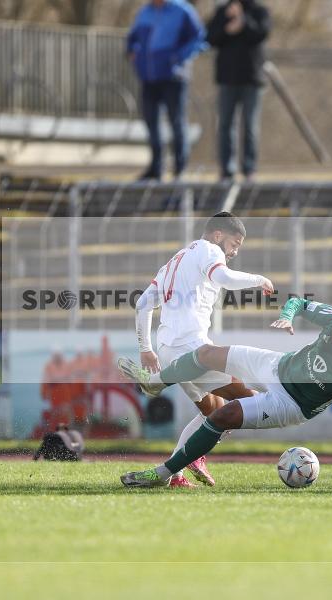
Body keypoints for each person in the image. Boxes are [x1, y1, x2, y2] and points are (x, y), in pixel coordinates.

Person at [119, 298, 332, 487]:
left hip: (290, 404)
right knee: (206, 353)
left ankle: (163, 474)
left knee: (221, 416)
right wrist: (287, 316)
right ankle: (155, 383)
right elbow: (298, 302)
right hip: (276, 365)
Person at [134, 212, 273, 486]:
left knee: (212, 411)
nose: (234, 252)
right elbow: (225, 278)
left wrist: (146, 349)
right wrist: (260, 279)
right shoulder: (210, 250)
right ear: (218, 235)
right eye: (235, 244)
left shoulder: (174, 261)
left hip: (167, 351)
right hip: (193, 349)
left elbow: (142, 305)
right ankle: (188, 457)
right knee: (250, 400)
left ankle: (176, 473)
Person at [127, 0, 205, 181]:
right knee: (151, 122)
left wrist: (177, 58)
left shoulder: (182, 11)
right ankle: (156, 167)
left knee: (176, 122)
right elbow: (133, 38)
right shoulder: (144, 12)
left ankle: (180, 168)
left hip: (174, 77)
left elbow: (198, 38)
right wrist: (132, 52)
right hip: (148, 77)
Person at [206, 0, 271, 182]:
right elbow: (209, 38)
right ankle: (227, 169)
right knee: (225, 125)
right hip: (227, 79)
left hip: (252, 78)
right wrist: (227, 29)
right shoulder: (222, 11)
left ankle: (249, 169)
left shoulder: (259, 11)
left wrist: (242, 20)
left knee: (250, 125)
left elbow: (261, 34)